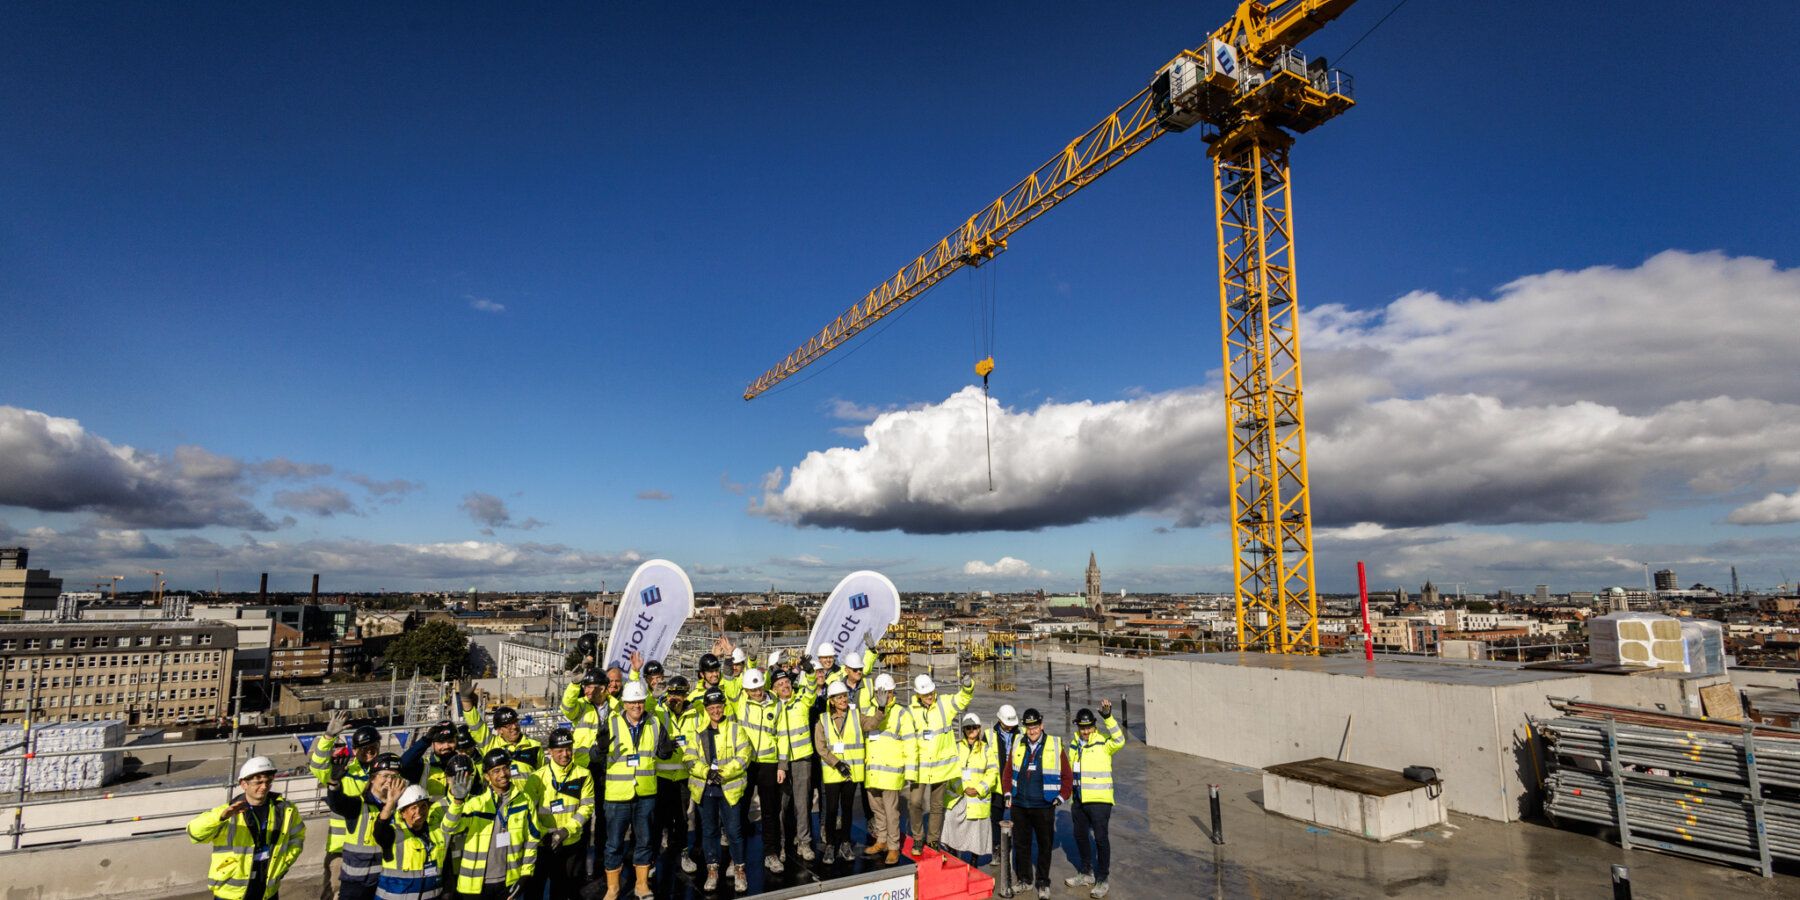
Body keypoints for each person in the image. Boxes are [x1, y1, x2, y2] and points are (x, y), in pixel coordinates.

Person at [443, 748, 559, 900]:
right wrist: (457, 801)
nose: (503, 774)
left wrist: (525, 874)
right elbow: (449, 828)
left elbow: (533, 839)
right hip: (474, 886)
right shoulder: (476, 804)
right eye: (496, 771)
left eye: (505, 768)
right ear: (486, 776)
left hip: (508, 883)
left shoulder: (524, 801)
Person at [598, 680, 677, 900]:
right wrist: (599, 749)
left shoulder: (654, 723)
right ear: (624, 703)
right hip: (617, 796)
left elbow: (661, 753)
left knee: (645, 841)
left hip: (645, 794)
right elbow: (597, 756)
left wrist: (668, 750)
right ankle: (612, 888)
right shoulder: (611, 723)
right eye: (632, 702)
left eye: (640, 701)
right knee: (613, 844)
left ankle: (641, 885)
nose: (636, 706)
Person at [188, 756, 306, 900]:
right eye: (258, 782)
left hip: (267, 889)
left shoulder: (286, 810)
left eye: (268, 782)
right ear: (244, 784)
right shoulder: (228, 812)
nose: (264, 787)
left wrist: (285, 862)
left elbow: (297, 837)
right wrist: (220, 817)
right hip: (231, 892)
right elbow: (195, 834)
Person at [898, 672, 976, 850]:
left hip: (941, 768)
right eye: (926, 694)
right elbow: (909, 743)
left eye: (931, 692)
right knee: (915, 803)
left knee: (936, 805)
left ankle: (932, 839)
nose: (930, 696)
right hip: (920, 769)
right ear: (918, 694)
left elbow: (963, 699)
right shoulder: (911, 713)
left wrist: (968, 686)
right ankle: (918, 837)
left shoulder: (944, 704)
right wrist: (910, 770)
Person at [309, 712, 383, 900]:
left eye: (373, 747)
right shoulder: (343, 771)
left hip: (374, 849)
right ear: (355, 749)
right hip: (341, 850)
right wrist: (328, 737)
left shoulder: (384, 775)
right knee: (336, 893)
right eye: (364, 748)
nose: (369, 752)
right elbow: (317, 767)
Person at [998, 708, 1070, 900]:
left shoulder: (1055, 745)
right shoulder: (1018, 744)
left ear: (1041, 726)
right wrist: (1007, 793)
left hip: (1044, 805)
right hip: (1019, 805)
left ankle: (1043, 883)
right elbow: (1007, 772)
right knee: (1021, 845)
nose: (1032, 731)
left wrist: (1061, 797)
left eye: (1035, 727)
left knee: (1045, 846)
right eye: (1029, 727)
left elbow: (1067, 776)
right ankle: (1025, 880)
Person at [686, 687, 749, 893]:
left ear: (723, 707)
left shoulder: (735, 729)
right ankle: (712, 869)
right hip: (706, 790)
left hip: (728, 788)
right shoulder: (699, 733)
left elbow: (743, 755)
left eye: (718, 707)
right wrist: (706, 773)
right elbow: (689, 759)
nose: (716, 711)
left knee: (734, 832)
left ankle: (739, 868)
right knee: (710, 831)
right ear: (706, 709)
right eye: (712, 707)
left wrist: (722, 773)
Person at [323, 752, 408, 900]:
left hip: (389, 882)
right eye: (385, 776)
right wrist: (334, 782)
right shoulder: (359, 806)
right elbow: (336, 802)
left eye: (394, 777)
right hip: (357, 886)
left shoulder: (403, 809)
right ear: (373, 778)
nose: (389, 781)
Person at [523, 728, 593, 900]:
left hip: (570, 842)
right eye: (560, 750)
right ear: (550, 751)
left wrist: (566, 830)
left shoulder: (583, 775)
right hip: (541, 844)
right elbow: (528, 812)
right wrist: (544, 833)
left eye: (568, 749)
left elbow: (587, 808)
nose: (565, 754)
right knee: (534, 889)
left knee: (561, 890)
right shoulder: (537, 778)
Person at [1064, 702, 1125, 898]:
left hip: (1100, 801)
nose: (1086, 731)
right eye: (1082, 727)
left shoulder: (1104, 743)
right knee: (1080, 836)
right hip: (1079, 800)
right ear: (1078, 727)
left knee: (1100, 839)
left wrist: (1109, 717)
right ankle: (1087, 873)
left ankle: (1102, 879)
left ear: (1095, 726)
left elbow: (1120, 739)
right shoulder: (1073, 744)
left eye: (1089, 727)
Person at [812, 680, 873, 865]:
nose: (843, 700)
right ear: (831, 700)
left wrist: (882, 710)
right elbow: (820, 748)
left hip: (851, 772)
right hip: (833, 772)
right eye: (838, 697)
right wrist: (837, 764)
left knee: (847, 809)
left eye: (844, 696)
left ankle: (845, 843)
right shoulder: (823, 720)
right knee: (831, 810)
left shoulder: (855, 715)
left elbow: (871, 724)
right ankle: (830, 844)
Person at [768, 667, 818, 866]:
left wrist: (810, 673)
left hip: (801, 759)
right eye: (780, 684)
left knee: (803, 803)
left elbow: (812, 688)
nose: (785, 685)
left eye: (787, 682)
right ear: (773, 689)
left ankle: (804, 843)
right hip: (779, 762)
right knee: (780, 805)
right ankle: (780, 843)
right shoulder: (771, 706)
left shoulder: (801, 700)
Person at [651, 675, 698, 874]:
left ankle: (683, 853)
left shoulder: (695, 714)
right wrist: (654, 697)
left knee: (682, 819)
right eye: (671, 693)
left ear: (686, 695)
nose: (675, 697)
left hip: (683, 777)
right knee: (658, 819)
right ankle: (652, 859)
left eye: (679, 694)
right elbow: (639, 708)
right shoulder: (658, 711)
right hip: (661, 777)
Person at [371, 784, 448, 900]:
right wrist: (390, 804)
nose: (419, 812)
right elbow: (379, 830)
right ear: (403, 812)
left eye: (423, 806)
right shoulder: (393, 833)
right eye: (413, 808)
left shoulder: (436, 832)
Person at [861, 673, 906, 865]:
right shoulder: (869, 711)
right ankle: (882, 840)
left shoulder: (900, 713)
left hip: (890, 772)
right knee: (877, 810)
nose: (885, 696)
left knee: (891, 812)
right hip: (872, 771)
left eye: (888, 692)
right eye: (882, 692)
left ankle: (894, 847)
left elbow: (909, 742)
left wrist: (908, 770)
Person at [941, 713, 996, 864]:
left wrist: (979, 789)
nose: (971, 730)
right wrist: (963, 788)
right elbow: (951, 771)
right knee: (953, 828)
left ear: (979, 729)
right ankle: (953, 858)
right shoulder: (957, 748)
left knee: (975, 834)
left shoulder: (986, 750)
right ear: (964, 730)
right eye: (968, 728)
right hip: (958, 798)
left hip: (978, 799)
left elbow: (992, 772)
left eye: (974, 728)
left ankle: (973, 862)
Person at [459, 684, 544, 781]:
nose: (514, 727)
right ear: (499, 730)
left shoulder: (535, 746)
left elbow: (541, 778)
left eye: (515, 722)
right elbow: (476, 726)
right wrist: (466, 701)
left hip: (527, 796)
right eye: (508, 725)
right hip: (500, 796)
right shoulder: (491, 745)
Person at [988, 704, 1021, 867]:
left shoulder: (1021, 735)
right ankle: (996, 849)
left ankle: (1017, 851)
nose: (1009, 729)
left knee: (1018, 820)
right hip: (996, 785)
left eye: (1011, 726)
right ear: (999, 720)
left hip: (1015, 785)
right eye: (1006, 726)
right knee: (995, 820)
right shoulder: (989, 735)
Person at [400, 723, 460, 799]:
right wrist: (425, 740)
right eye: (441, 742)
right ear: (432, 744)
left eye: (450, 741)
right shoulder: (423, 766)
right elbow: (403, 765)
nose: (446, 746)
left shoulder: (465, 764)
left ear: (456, 742)